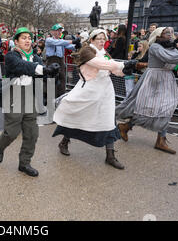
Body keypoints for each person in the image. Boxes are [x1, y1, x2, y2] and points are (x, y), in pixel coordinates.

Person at [116, 27, 178, 154]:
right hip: (153, 79)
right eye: (167, 33)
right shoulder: (155, 47)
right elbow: (170, 57)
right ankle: (126, 126)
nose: (170, 35)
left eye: (171, 33)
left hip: (167, 78)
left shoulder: (171, 48)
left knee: (168, 107)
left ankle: (160, 140)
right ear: (158, 36)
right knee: (146, 108)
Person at [53, 29, 136, 169]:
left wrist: (125, 70)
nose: (102, 41)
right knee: (77, 118)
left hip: (105, 91)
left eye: (104, 38)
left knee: (108, 121)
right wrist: (122, 65)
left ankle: (110, 156)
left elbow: (113, 69)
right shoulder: (87, 51)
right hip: (89, 90)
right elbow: (100, 64)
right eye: (99, 38)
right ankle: (64, 142)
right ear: (92, 39)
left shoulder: (105, 53)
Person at [0, 27, 60, 177]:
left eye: (29, 38)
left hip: (30, 93)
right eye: (23, 38)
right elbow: (22, 67)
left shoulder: (36, 58)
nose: (27, 40)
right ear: (16, 41)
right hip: (14, 92)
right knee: (12, 131)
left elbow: (40, 75)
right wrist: (43, 69)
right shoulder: (11, 55)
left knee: (32, 133)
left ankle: (24, 163)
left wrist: (52, 74)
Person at [45, 23, 78, 98]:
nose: (59, 32)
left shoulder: (62, 41)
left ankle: (61, 96)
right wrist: (72, 41)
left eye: (60, 31)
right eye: (57, 30)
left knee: (62, 79)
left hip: (60, 61)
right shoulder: (49, 40)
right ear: (52, 32)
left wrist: (77, 45)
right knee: (52, 79)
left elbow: (70, 47)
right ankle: (51, 98)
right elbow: (57, 42)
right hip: (51, 61)